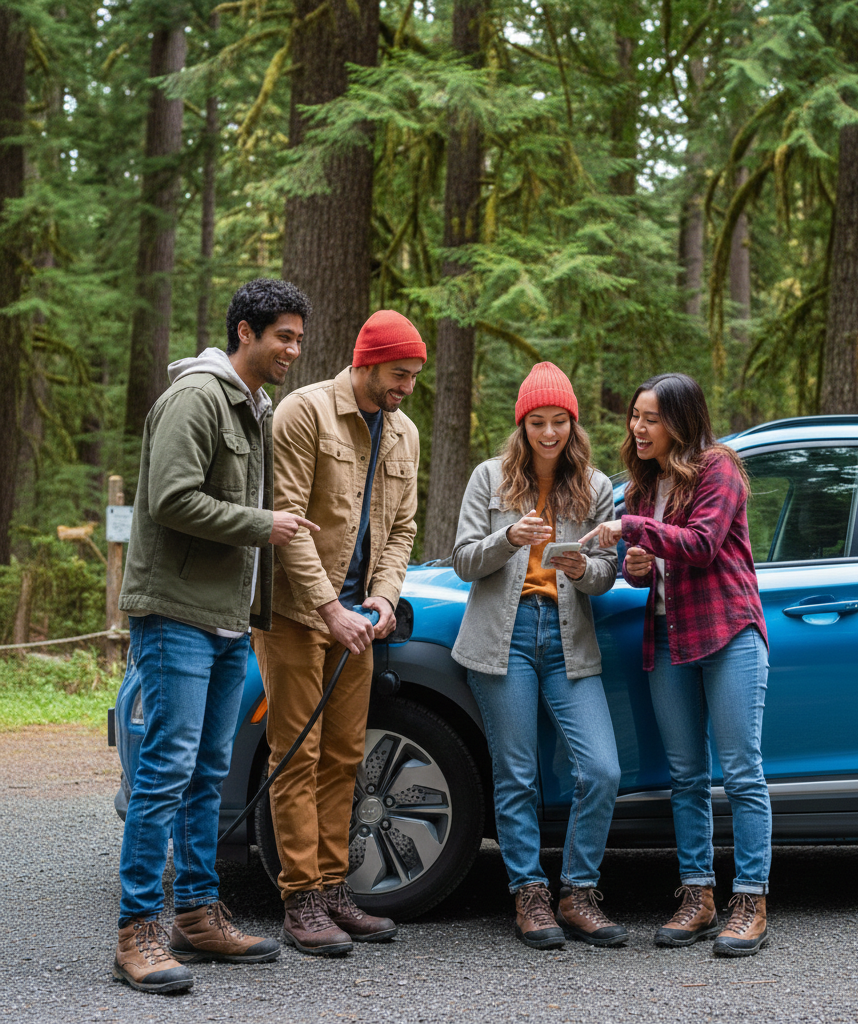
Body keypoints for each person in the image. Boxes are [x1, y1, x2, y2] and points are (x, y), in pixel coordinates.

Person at [114, 278, 316, 994]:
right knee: (165, 774)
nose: (294, 348)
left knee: (205, 773)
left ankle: (197, 915)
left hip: (228, 618)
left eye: (298, 336)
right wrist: (266, 524)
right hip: (177, 613)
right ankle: (137, 930)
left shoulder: (252, 407)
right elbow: (170, 499)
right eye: (283, 336)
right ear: (244, 333)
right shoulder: (197, 397)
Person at [252, 310, 424, 955]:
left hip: (360, 623)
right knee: (297, 753)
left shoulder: (405, 433)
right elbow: (287, 518)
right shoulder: (304, 412)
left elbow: (402, 529)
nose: (406, 387)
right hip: (299, 615)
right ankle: (300, 900)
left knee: (346, 756)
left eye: (412, 376)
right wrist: (329, 608)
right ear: (367, 362)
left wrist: (382, 597)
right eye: (398, 374)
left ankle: (331, 889)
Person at [581, 372, 771, 957]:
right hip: (667, 638)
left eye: (651, 418)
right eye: (635, 416)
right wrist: (639, 568)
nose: (638, 428)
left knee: (740, 772)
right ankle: (697, 894)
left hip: (729, 631)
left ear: (680, 422)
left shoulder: (719, 468)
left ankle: (751, 900)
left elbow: (703, 543)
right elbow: (660, 562)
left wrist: (629, 529)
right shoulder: (642, 486)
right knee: (686, 776)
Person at [452, 362, 625, 950]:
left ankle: (577, 892)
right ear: (522, 424)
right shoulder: (489, 478)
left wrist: (584, 569)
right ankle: (529, 892)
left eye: (558, 422)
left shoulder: (595, 486)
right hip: (502, 639)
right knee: (518, 774)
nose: (548, 434)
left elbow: (606, 574)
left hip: (568, 639)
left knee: (602, 769)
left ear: (573, 425)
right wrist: (508, 540)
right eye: (537, 423)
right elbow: (463, 561)